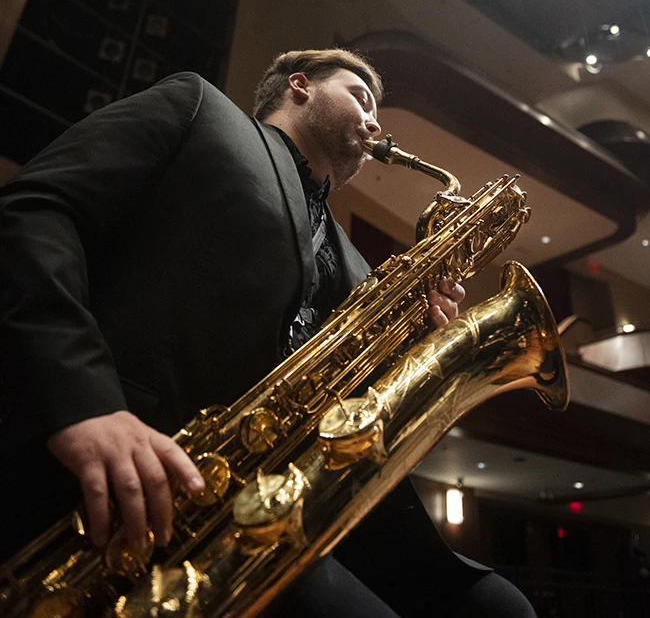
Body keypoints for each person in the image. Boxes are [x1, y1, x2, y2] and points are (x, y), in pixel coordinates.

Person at [0, 48, 533, 616]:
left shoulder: (357, 264)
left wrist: (415, 341)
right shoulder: (200, 108)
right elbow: (36, 213)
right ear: (298, 85)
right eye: (360, 96)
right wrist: (84, 403)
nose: (376, 121)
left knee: (497, 607)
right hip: (134, 459)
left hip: (269, 494)